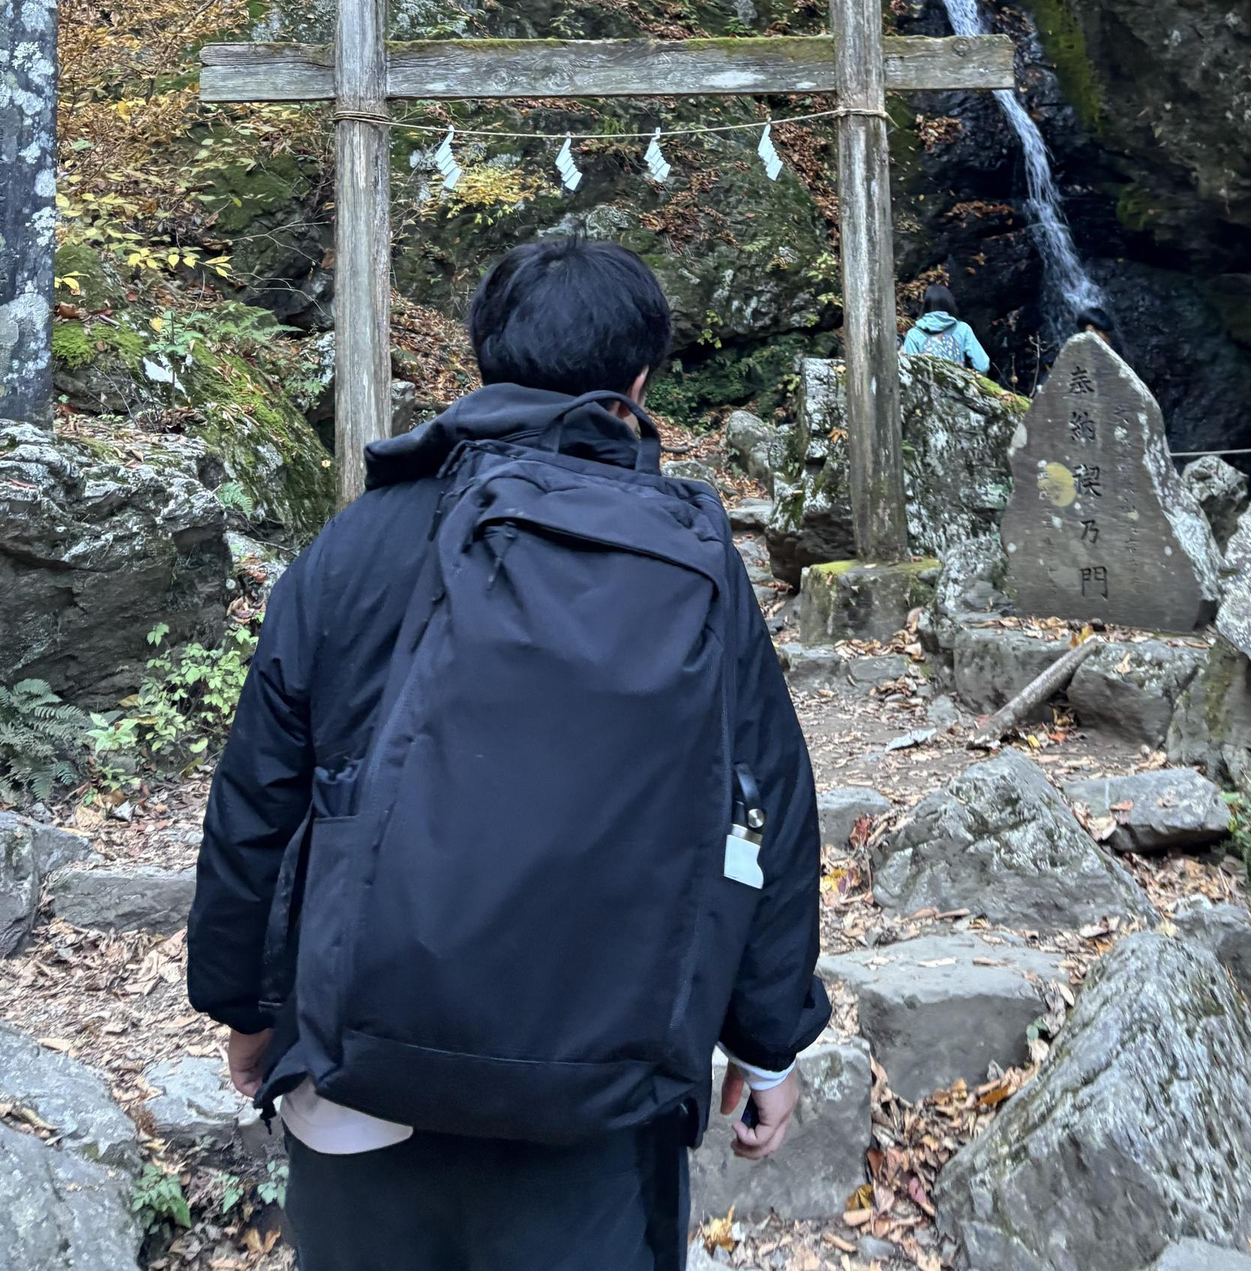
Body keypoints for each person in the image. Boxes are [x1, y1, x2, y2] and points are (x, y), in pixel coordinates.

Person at [187, 237, 829, 1271]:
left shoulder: (360, 542)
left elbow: (258, 795)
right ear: (639, 380)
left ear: (484, 357)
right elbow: (765, 802)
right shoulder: (687, 558)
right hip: (601, 1090)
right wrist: (767, 1041)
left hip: (358, 1071)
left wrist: (245, 1005)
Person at [900, 282, 990, 373]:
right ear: (950, 304)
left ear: (925, 305)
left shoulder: (914, 334)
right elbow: (983, 365)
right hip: (957, 381)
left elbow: (909, 370)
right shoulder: (963, 329)